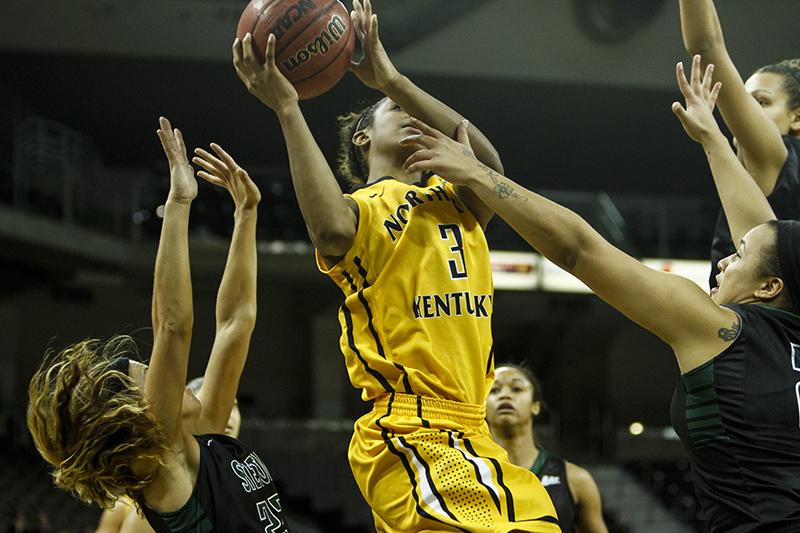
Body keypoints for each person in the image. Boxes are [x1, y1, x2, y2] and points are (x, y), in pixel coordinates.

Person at [399, 56, 800, 532]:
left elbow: (578, 251)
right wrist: (713, 139)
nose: (725, 261)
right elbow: (765, 232)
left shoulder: (724, 331)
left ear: (770, 287)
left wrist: (477, 176)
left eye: (738, 256)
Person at [232, 0, 560, 530]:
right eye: (394, 112)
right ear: (363, 137)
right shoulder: (360, 212)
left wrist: (392, 81)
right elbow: (328, 229)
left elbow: (490, 166)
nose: (413, 115)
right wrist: (288, 108)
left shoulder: (458, 200)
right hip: (411, 431)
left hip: (475, 436)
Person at [27, 118, 288, 532]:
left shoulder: (201, 439)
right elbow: (173, 325)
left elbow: (236, 322)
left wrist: (246, 216)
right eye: (146, 376)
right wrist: (179, 203)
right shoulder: (163, 467)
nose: (168, 375)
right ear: (134, 418)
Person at [678, 0, 800, 287]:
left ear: (797, 117)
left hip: (758, 322)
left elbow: (706, 46)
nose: (739, 110)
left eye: (760, 101)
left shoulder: (777, 158)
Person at [95, 378, 243, 533]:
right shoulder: (144, 509)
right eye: (211, 405)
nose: (227, 415)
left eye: (232, 407)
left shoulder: (238, 472)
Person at [486, 364, 608, 533]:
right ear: (482, 406)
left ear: (535, 406)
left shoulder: (576, 480)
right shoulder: (469, 474)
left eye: (516, 388)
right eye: (494, 390)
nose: (505, 395)